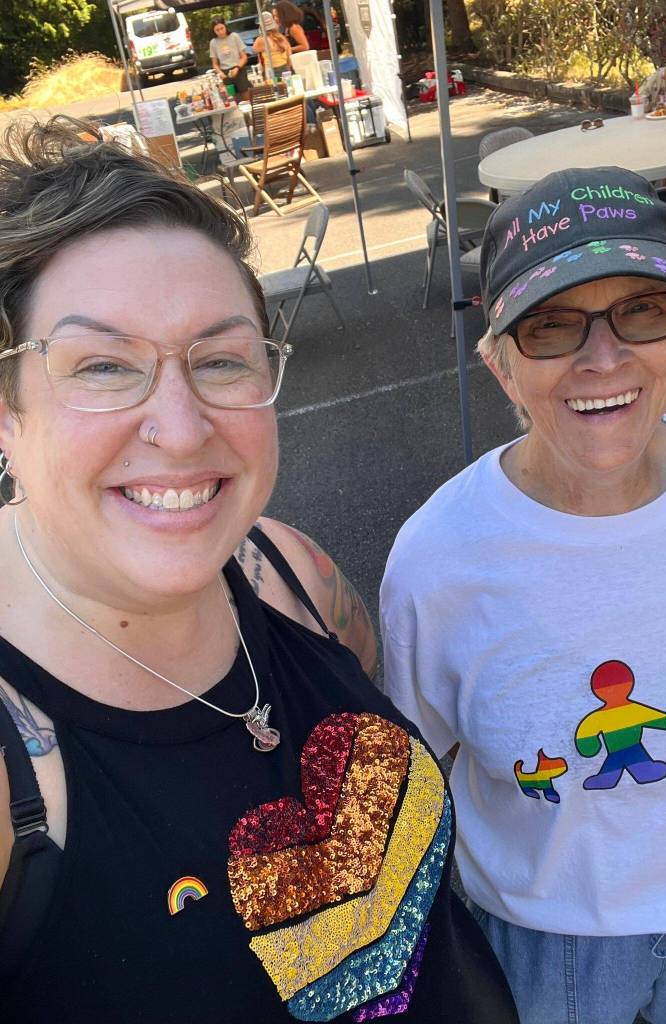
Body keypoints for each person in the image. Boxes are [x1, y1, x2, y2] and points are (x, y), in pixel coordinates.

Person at [0, 117, 517, 1024]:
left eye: (222, 359)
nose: (184, 424)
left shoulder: (290, 573)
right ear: (8, 411)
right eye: (104, 365)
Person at [381, 165, 666, 1024]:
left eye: (644, 310)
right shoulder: (439, 562)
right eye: (552, 326)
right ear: (499, 364)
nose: (605, 357)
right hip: (545, 940)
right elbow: (415, 774)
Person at [209, 17, 250, 102]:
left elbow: (244, 57)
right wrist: (220, 73)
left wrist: (237, 68)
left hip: (239, 68)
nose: (220, 31)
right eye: (217, 30)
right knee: (232, 98)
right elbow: (215, 64)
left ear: (225, 27)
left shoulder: (234, 36)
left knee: (245, 94)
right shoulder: (213, 42)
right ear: (214, 31)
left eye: (221, 28)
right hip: (225, 72)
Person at [254, 11, 293, 79]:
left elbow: (255, 49)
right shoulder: (281, 37)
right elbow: (289, 51)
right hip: (285, 67)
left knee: (275, 89)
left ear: (261, 26)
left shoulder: (261, 40)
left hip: (271, 69)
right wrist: (288, 65)